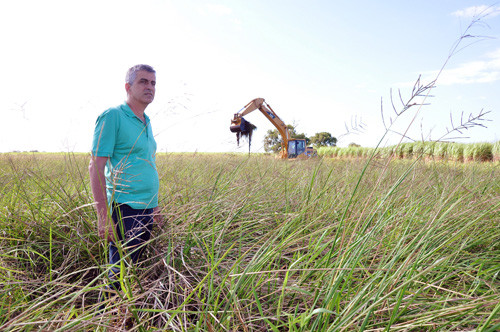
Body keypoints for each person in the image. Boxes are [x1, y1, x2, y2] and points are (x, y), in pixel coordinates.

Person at [89, 64, 161, 294]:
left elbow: (147, 163)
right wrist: (103, 217)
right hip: (125, 208)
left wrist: (156, 205)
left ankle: (130, 318)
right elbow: (95, 167)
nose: (149, 87)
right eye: (143, 81)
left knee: (135, 273)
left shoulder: (146, 121)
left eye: (153, 83)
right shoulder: (113, 116)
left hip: (147, 208)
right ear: (128, 86)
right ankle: (107, 319)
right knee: (117, 277)